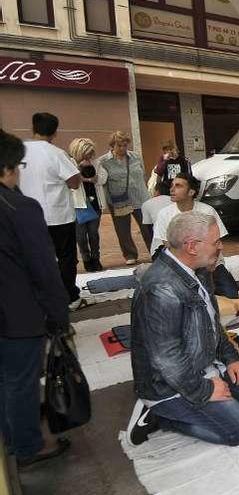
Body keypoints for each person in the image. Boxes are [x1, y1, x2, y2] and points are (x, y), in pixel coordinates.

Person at [127, 211, 239, 446]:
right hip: (168, 384)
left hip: (200, 364)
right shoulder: (161, 289)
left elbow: (212, 323)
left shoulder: (198, 270)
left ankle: (200, 394)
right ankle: (159, 416)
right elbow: (166, 359)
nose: (220, 246)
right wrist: (205, 390)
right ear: (191, 246)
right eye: (216, 241)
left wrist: (231, 359)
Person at [0, 129, 72, 467]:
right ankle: (28, 446)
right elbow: (45, 269)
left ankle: (11, 439)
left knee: (5, 380)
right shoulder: (19, 207)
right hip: (18, 313)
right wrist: (59, 315)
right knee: (21, 382)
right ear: (8, 167)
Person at [17, 113, 84, 309]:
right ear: (55, 132)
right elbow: (74, 182)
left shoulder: (18, 151)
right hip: (58, 216)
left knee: (33, 257)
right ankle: (68, 297)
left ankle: (36, 296)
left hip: (27, 215)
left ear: (33, 128)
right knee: (65, 258)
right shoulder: (56, 153)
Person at [98, 131, 150, 265]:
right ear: (112, 146)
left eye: (125, 145)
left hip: (140, 197)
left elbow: (143, 173)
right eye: (119, 145)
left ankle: (154, 250)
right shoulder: (104, 161)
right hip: (119, 200)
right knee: (123, 229)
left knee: (147, 226)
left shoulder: (135, 157)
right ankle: (130, 254)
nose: (122, 148)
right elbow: (102, 180)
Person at [150, 173, 227, 256]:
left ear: (191, 192)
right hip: (176, 256)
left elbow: (215, 241)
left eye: (178, 186)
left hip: (204, 255)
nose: (172, 189)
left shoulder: (207, 211)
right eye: (172, 185)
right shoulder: (164, 214)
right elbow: (168, 245)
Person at [69, 138, 107, 273]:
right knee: (80, 236)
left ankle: (96, 259)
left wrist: (94, 176)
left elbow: (103, 178)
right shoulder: (71, 163)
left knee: (93, 234)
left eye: (90, 154)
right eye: (86, 154)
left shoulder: (96, 163)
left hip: (95, 202)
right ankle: (86, 259)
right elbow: (70, 181)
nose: (88, 157)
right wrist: (79, 169)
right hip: (79, 204)